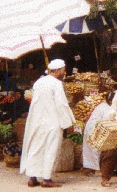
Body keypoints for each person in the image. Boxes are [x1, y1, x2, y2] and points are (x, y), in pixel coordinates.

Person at [19, 59, 75, 188]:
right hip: (52, 121)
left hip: (37, 121)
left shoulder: (39, 82)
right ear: (59, 70)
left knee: (36, 148)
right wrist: (68, 123)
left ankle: (32, 178)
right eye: (64, 69)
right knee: (50, 149)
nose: (64, 72)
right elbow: (61, 105)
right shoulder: (56, 84)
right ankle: (46, 179)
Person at [82, 91, 115, 176]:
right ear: (111, 101)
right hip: (94, 129)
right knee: (95, 150)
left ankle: (91, 169)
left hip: (93, 128)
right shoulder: (107, 108)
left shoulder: (104, 105)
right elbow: (109, 121)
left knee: (91, 150)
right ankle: (96, 170)